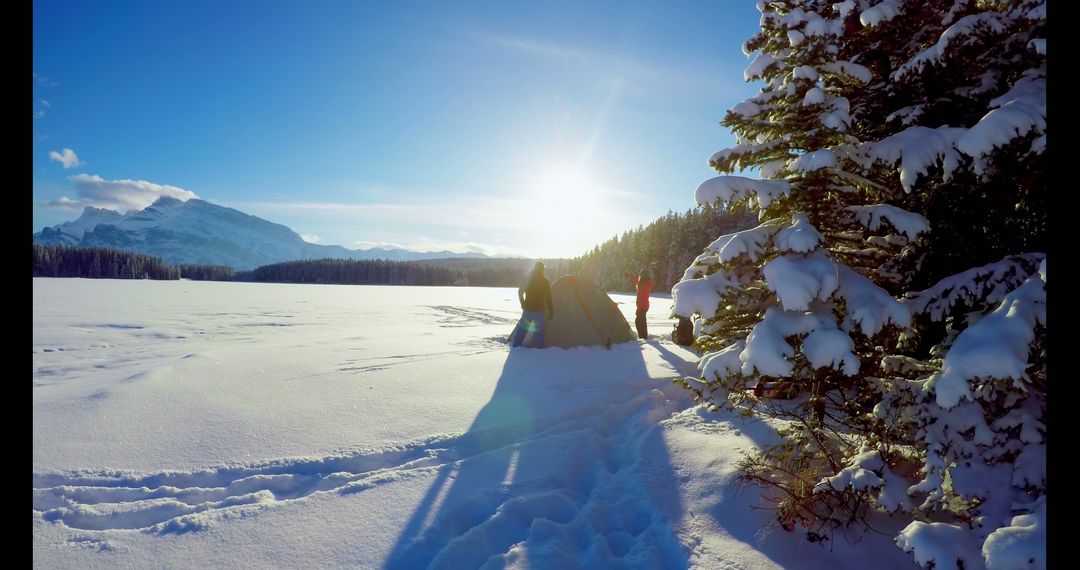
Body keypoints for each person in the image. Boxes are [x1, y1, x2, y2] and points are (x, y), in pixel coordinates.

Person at [511, 261, 554, 348]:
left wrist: (523, 304)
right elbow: (548, 297)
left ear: (535, 269)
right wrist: (551, 310)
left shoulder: (528, 279)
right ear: (542, 270)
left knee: (522, 330)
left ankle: (516, 347)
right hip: (540, 311)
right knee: (539, 333)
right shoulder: (545, 281)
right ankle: (538, 351)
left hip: (527, 310)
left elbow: (520, 292)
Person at [625, 268, 652, 339]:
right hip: (642, 306)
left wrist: (634, 277)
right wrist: (629, 275)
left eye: (642, 275)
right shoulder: (642, 282)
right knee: (640, 322)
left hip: (643, 306)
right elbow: (636, 279)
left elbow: (637, 280)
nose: (641, 276)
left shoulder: (646, 283)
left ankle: (643, 337)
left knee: (640, 322)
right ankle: (643, 336)